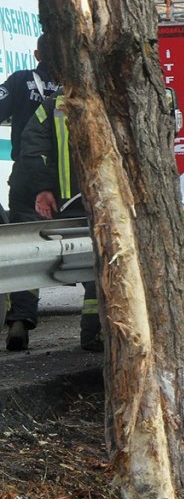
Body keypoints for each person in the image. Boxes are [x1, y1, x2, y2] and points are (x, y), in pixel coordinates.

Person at [21, 94, 101, 351]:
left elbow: (32, 148)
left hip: (67, 204)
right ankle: (93, 335)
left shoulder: (52, 106)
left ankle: (19, 321)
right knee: (99, 269)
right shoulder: (108, 97)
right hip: (98, 202)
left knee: (35, 263)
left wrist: (43, 188)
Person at [1, 33, 64, 351]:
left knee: (26, 250)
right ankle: (95, 330)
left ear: (37, 53)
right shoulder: (81, 89)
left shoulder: (19, 80)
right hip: (73, 184)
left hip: (27, 179)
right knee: (88, 249)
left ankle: (19, 321)